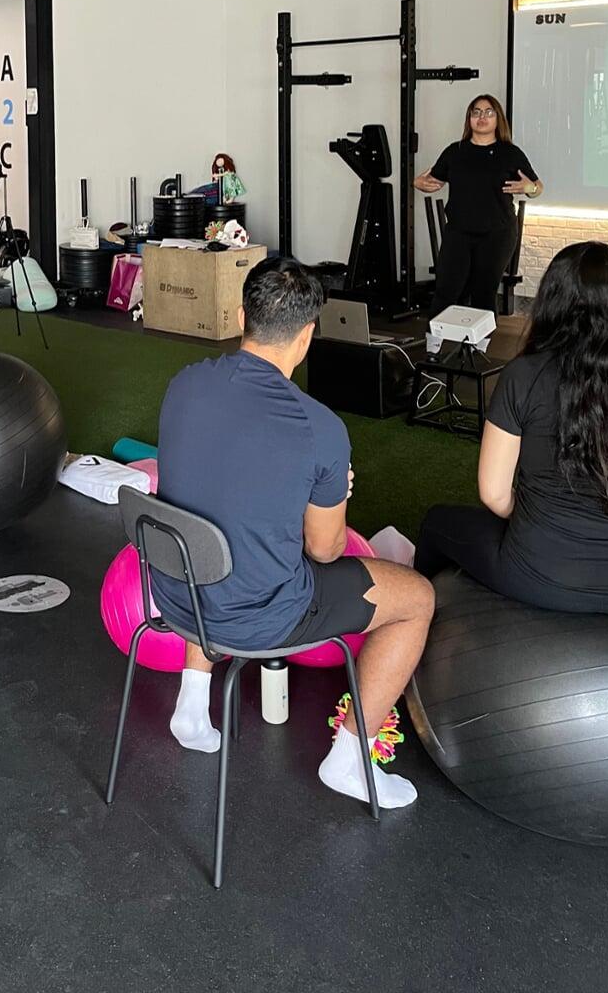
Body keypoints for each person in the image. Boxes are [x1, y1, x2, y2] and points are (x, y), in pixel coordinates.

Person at [151, 256, 434, 810]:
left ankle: (192, 705)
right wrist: (326, 490)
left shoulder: (185, 381)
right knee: (417, 599)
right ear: (307, 336)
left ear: (241, 317)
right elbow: (325, 550)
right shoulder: (320, 428)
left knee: (211, 535)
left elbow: (213, 476)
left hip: (174, 590)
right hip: (255, 616)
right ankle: (349, 761)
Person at [415, 242, 608, 618]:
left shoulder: (522, 375)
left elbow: (494, 494)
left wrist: (541, 522)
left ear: (551, 303)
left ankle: (412, 620)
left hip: (537, 577)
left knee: (436, 523)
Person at [414, 94, 542, 319]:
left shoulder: (510, 153)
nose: (482, 117)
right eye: (476, 112)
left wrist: (529, 187)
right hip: (458, 232)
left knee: (484, 293)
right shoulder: (455, 151)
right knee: (446, 290)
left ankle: (481, 340)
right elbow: (432, 181)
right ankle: (435, 339)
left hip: (497, 233)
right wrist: (418, 183)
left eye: (488, 112)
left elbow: (538, 187)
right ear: (469, 118)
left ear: (497, 119)